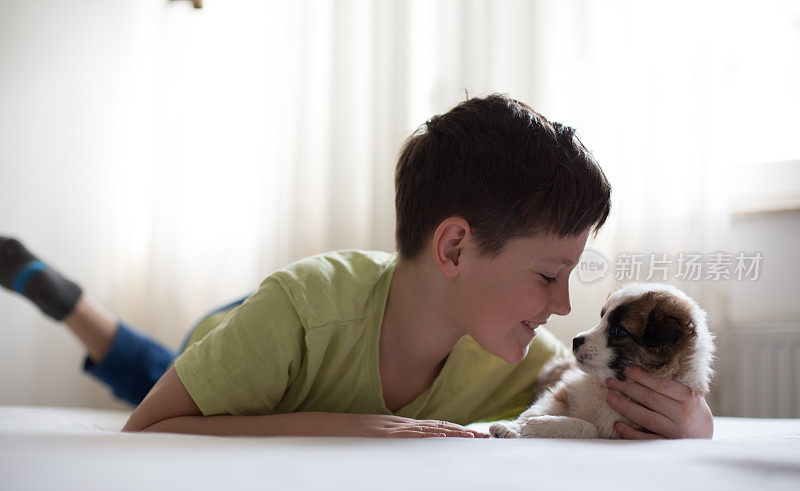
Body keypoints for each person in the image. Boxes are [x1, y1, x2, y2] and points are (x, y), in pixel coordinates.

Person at [1, 94, 713, 439]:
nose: (562, 305)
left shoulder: (525, 353)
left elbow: (591, 405)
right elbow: (149, 434)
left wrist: (694, 424)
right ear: (455, 248)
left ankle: (65, 299)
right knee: (152, 369)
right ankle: (69, 303)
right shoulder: (300, 310)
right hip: (258, 330)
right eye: (546, 275)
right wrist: (357, 426)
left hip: (347, 314)